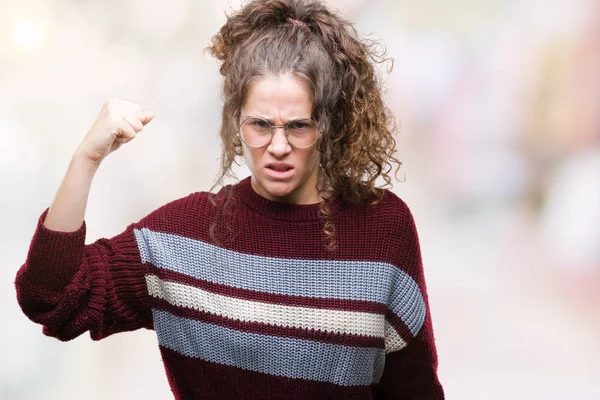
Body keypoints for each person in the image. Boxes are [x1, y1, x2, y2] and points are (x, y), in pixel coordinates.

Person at [14, 0, 444, 398]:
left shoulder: (383, 226)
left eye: (298, 126)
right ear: (235, 124)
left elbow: (415, 389)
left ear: (328, 126)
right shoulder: (182, 236)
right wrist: (85, 159)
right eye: (260, 124)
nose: (278, 145)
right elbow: (51, 298)